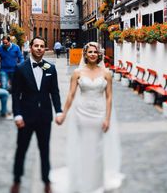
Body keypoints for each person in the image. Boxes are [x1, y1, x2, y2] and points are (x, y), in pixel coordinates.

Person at [53, 42, 124, 193]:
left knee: (98, 148)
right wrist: (63, 114)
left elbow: (109, 97)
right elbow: (71, 95)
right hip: (82, 113)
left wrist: (107, 118)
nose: (92, 54)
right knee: (83, 147)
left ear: (99, 55)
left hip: (99, 113)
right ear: (85, 54)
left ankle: (97, 183)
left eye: (95, 52)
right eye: (90, 52)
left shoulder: (106, 74)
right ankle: (82, 180)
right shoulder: (77, 73)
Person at [10, 37, 63, 193]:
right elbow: (15, 94)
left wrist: (59, 111)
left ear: (44, 49)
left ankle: (46, 180)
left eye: (42, 46)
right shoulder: (20, 68)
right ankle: (17, 179)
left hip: (45, 116)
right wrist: (17, 115)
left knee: (44, 149)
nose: (39, 48)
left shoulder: (50, 68)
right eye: (36, 46)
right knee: (22, 149)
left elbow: (55, 92)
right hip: (26, 117)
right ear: (31, 48)